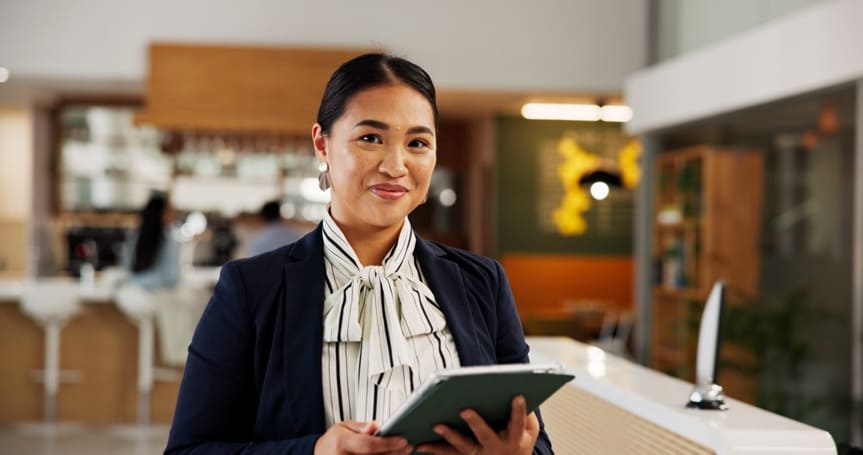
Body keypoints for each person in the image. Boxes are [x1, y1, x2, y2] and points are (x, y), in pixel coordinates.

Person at [165, 53, 553, 455]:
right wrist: (316, 451)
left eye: (417, 143)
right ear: (322, 144)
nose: (395, 166)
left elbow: (536, 440)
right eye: (370, 138)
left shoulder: (481, 282)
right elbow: (188, 451)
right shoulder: (251, 289)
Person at [124, 193, 180, 290]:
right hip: (160, 294)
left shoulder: (135, 236)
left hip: (135, 291)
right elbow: (171, 278)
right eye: (170, 210)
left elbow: (127, 269)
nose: (173, 214)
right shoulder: (167, 239)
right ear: (163, 213)